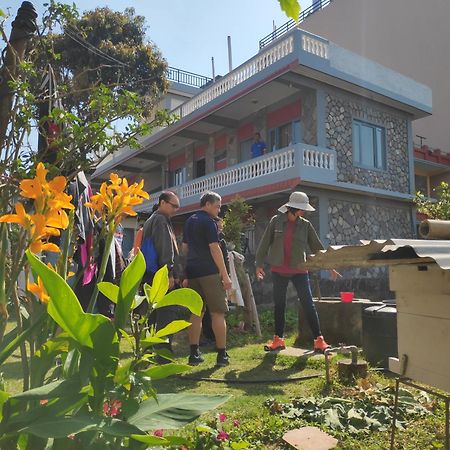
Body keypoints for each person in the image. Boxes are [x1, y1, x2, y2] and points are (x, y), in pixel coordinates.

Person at [255, 191, 339, 352]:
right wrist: (258, 264)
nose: (304, 211)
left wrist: (329, 266)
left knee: (308, 304)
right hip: (278, 270)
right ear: (292, 208)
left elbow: (317, 247)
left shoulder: (305, 224)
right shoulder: (276, 221)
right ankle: (278, 339)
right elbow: (265, 242)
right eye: (301, 209)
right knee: (279, 305)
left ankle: (319, 340)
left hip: (299, 269)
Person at [182, 192, 232, 367]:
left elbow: (184, 248)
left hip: (193, 271)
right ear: (208, 204)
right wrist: (225, 275)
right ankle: (222, 354)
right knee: (217, 312)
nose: (219, 210)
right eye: (218, 206)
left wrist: (185, 273)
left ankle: (194, 353)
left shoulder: (189, 221)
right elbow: (214, 248)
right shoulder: (209, 222)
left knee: (196, 313)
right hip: (210, 271)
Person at [141, 191, 181, 362]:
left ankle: (147, 351)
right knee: (166, 314)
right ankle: (164, 355)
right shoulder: (160, 219)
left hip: (150, 273)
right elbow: (165, 248)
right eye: (173, 206)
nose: (175, 210)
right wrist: (169, 272)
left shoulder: (151, 219)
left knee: (152, 315)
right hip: (160, 274)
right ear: (163, 203)